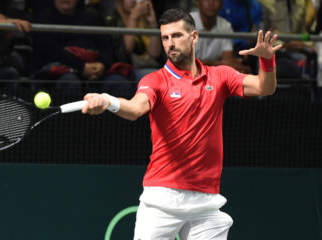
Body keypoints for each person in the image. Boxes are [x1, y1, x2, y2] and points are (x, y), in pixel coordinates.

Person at [81, 8, 281, 239]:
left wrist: (267, 61)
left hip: (206, 203)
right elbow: (135, 109)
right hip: (162, 199)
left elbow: (265, 87)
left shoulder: (220, 76)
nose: (170, 43)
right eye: (165, 38)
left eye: (176, 36)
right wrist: (108, 101)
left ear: (194, 37)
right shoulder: (155, 81)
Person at [32, 0, 131, 93]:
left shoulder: (91, 18)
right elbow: (49, 49)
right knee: (70, 82)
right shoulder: (44, 18)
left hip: (96, 68)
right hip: (62, 70)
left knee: (118, 82)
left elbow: (106, 46)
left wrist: (102, 65)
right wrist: (81, 67)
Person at [105, 0, 162, 82]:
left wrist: (153, 24)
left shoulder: (143, 20)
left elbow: (155, 54)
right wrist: (133, 18)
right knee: (150, 77)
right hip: (128, 68)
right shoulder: (113, 20)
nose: (133, 1)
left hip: (149, 66)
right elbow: (125, 50)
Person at [190, 0, 251, 73]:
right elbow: (184, 63)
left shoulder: (225, 26)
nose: (211, 3)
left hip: (212, 77)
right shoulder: (186, 23)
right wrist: (220, 63)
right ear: (198, 2)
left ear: (222, 3)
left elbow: (228, 63)